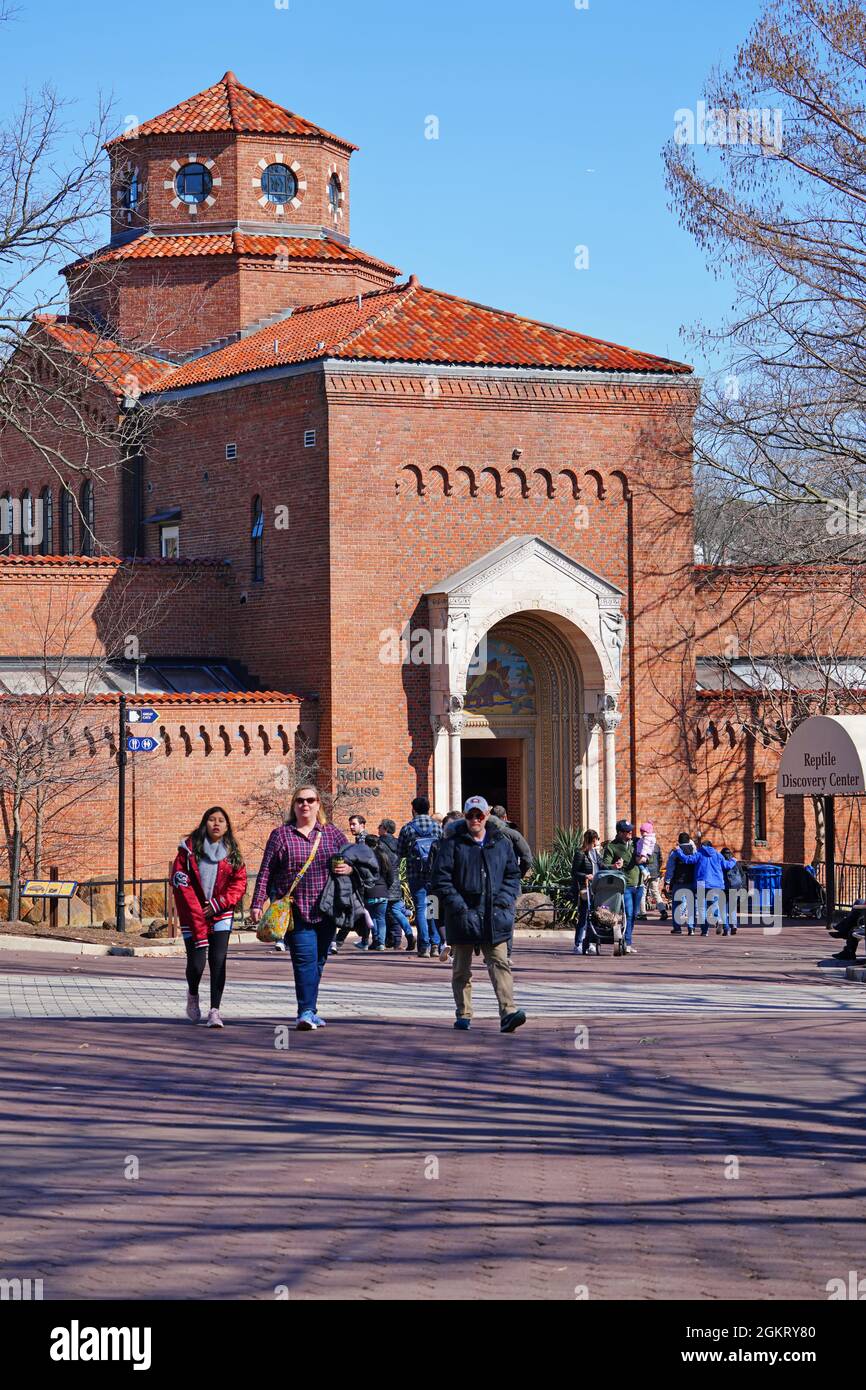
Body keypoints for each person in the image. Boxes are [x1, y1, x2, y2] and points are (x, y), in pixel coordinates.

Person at [250, 785, 351, 1030]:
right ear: (293, 806)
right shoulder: (281, 835)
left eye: (310, 800)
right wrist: (257, 903)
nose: (305, 805)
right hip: (297, 910)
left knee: (319, 961)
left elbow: (353, 861)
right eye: (299, 801)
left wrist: (348, 868)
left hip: (327, 909)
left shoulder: (332, 834)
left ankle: (311, 1009)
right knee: (304, 960)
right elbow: (266, 871)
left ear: (319, 804)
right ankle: (305, 1012)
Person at [432, 796, 526, 1033]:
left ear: (487, 816)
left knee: (500, 963)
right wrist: (459, 907)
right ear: (465, 817)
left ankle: (508, 1012)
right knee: (461, 969)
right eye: (471, 815)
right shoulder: (452, 843)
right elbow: (441, 878)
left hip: (493, 915)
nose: (475, 819)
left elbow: (512, 874)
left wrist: (504, 900)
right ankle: (463, 1013)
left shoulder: (501, 842)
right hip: (462, 915)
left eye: (479, 815)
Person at [172, 806, 248, 1029]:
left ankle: (215, 1010)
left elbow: (239, 883)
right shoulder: (188, 851)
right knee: (196, 964)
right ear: (205, 822)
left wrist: (218, 904)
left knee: (218, 961)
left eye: (221, 821)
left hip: (220, 912)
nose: (216, 824)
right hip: (193, 913)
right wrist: (199, 911)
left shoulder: (232, 853)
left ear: (227, 826)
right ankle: (193, 993)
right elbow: (181, 885)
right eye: (212, 820)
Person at [397, 796, 442, 957]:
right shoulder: (437, 827)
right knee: (433, 908)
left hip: (415, 873)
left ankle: (423, 947)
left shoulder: (408, 828)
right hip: (434, 874)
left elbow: (400, 852)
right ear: (429, 809)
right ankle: (436, 944)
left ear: (414, 809)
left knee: (421, 908)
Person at [602, 819, 642, 954]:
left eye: (631, 830)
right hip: (625, 885)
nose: (630, 833)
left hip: (639, 883)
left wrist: (646, 858)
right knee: (628, 914)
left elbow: (650, 858)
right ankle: (626, 943)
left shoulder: (636, 843)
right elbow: (604, 864)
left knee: (635, 915)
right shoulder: (612, 847)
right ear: (619, 833)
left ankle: (627, 941)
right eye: (627, 831)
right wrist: (613, 866)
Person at [378, 818, 415, 950]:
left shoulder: (379, 843)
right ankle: (408, 935)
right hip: (396, 879)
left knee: (381, 913)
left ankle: (383, 940)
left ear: (385, 829)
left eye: (380, 826)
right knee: (395, 910)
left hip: (384, 881)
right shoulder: (398, 842)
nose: (378, 829)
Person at [571, 828, 602, 955]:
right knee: (583, 916)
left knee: (594, 917)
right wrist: (585, 876)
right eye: (595, 840)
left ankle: (590, 943)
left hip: (596, 889)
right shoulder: (580, 854)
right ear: (590, 840)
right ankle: (578, 943)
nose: (596, 843)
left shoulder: (595, 854)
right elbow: (574, 872)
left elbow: (602, 865)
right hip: (585, 889)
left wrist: (614, 867)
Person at [362, 834, 396, 951]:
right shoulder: (384, 855)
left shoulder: (365, 857)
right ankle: (381, 942)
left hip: (369, 891)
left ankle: (376, 940)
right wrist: (385, 886)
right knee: (381, 918)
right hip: (382, 891)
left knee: (372, 918)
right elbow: (391, 875)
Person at [695, 839, 733, 936]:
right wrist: (733, 860)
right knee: (715, 905)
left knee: (702, 907)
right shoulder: (718, 855)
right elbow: (726, 866)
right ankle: (720, 920)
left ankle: (704, 931)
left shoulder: (699, 853)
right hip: (717, 884)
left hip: (702, 883)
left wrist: (678, 851)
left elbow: (689, 860)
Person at [664, 833, 699, 935]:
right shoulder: (694, 851)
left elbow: (670, 867)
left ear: (678, 841)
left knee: (676, 905)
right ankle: (691, 928)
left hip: (678, 882)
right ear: (689, 840)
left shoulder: (675, 852)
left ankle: (677, 927)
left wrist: (667, 881)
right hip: (691, 881)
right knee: (691, 905)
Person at [721, 848, 743, 934]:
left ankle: (726, 927)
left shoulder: (720, 862)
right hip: (734, 887)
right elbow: (741, 874)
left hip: (723, 888)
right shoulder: (735, 862)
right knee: (732, 908)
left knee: (723, 908)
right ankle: (733, 925)